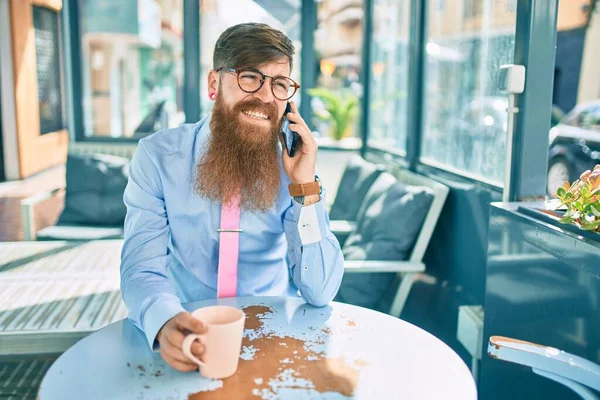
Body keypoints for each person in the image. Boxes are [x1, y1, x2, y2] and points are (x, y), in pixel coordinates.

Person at [120, 23, 344, 372]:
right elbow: (142, 267)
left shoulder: (293, 165)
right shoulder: (157, 157)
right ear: (214, 84)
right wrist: (165, 322)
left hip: (276, 333)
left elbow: (320, 291)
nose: (267, 96)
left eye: (280, 84)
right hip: (190, 329)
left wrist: (304, 190)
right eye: (250, 77)